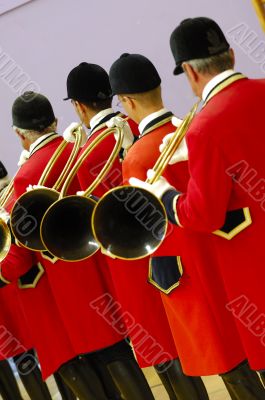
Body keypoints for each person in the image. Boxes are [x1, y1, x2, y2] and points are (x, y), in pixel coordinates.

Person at [128, 17, 265, 397]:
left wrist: (163, 193)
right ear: (232, 54)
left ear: (188, 70)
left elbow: (201, 216)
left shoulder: (205, 126)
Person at [64, 62, 209, 400]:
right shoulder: (135, 126)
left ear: (79, 106)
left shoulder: (85, 154)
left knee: (163, 355)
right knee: (183, 347)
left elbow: (98, 224)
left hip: (130, 264)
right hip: (172, 247)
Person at [9, 91, 154, 400]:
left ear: (20, 134)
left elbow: (20, 254)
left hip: (71, 283)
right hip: (104, 263)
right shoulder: (81, 149)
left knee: (104, 360)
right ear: (55, 121)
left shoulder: (24, 179)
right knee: (120, 350)